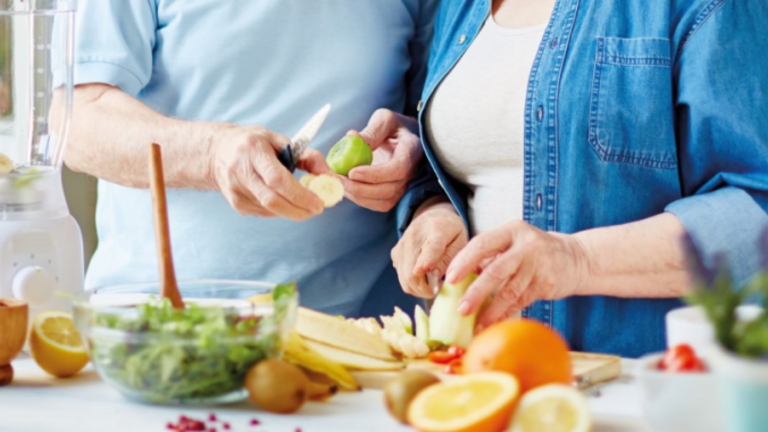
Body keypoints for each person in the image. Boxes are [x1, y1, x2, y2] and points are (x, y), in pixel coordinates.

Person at [394, 0, 768, 357]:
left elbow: (755, 213)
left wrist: (578, 259)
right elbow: (470, 164)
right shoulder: (455, 6)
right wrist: (433, 211)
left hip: (640, 384)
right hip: (484, 376)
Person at [59, 0, 437, 317]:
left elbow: (437, 108)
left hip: (357, 330)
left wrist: (415, 148)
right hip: (160, 322)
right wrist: (210, 153)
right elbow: (76, 119)